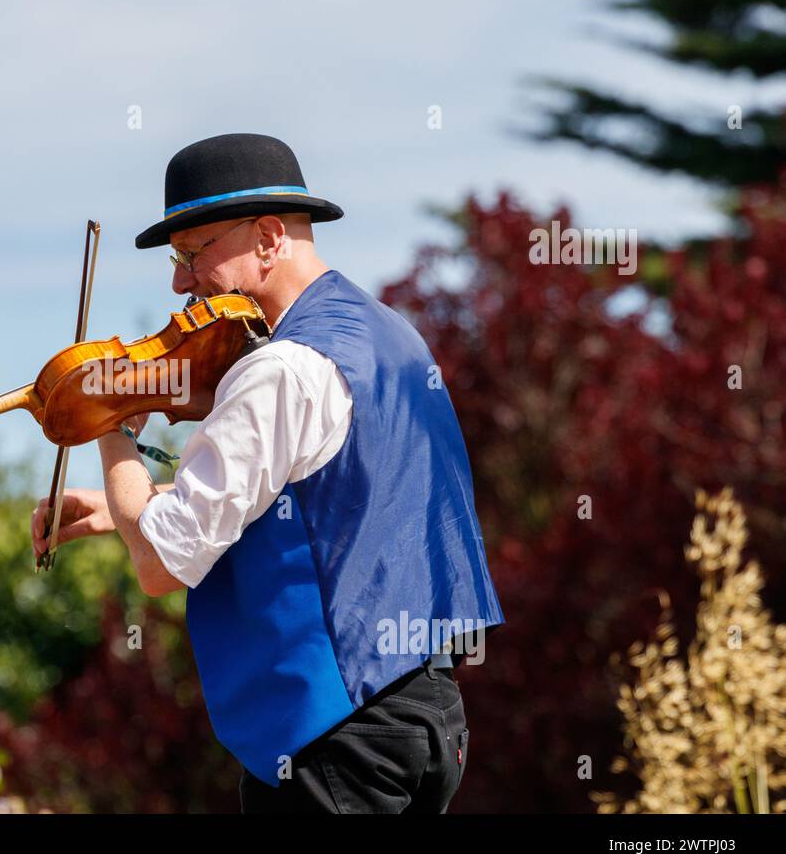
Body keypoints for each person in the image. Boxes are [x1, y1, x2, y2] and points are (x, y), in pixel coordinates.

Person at [31, 133, 506, 813]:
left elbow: (161, 563)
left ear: (268, 237)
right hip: (428, 720)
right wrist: (123, 508)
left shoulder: (280, 368)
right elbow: (331, 497)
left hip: (334, 733)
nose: (179, 281)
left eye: (193, 254)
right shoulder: (389, 335)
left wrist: (108, 419)